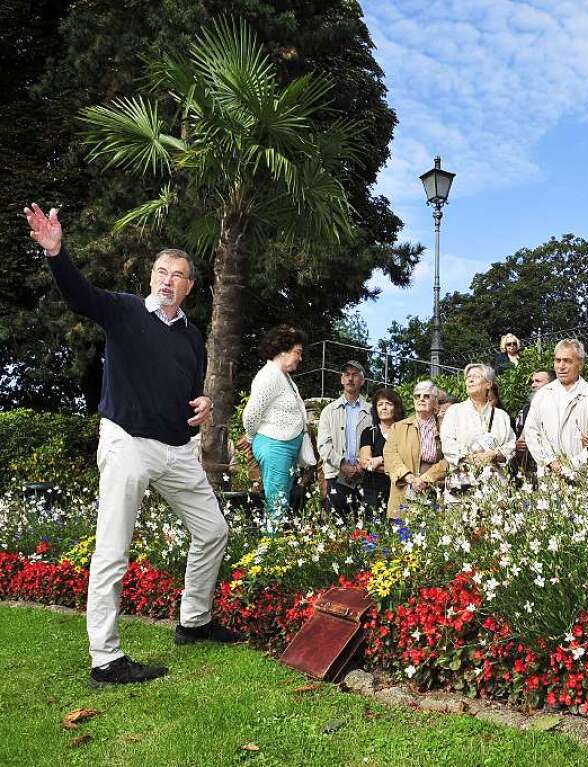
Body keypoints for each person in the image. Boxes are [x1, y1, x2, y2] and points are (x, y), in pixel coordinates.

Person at [25, 203, 234, 687]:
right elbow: (80, 296)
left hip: (179, 450)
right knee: (113, 549)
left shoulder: (193, 335)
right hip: (127, 442)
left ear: (188, 287)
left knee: (213, 531)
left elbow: (191, 387)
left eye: (177, 275)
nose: (166, 280)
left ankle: (194, 621)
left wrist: (202, 403)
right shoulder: (121, 310)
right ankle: (106, 658)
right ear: (152, 276)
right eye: (161, 271)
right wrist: (57, 253)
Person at [241, 325, 310, 533]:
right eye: (298, 352)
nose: (300, 358)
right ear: (283, 350)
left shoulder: (284, 377)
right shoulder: (269, 376)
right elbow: (250, 414)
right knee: (277, 504)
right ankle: (271, 555)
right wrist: (252, 437)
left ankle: (277, 549)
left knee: (282, 502)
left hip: (285, 448)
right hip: (275, 447)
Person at [523, 339, 588, 476]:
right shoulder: (542, 395)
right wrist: (550, 461)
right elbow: (531, 432)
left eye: (567, 361)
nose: (561, 366)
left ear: (580, 364)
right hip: (550, 475)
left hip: (584, 477)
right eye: (557, 361)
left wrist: (572, 466)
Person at [441, 364, 516, 488]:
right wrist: (469, 458)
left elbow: (510, 445)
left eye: (475, 376)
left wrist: (494, 454)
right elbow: (448, 443)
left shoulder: (501, 416)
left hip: (494, 485)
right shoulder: (454, 411)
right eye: (468, 377)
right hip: (463, 484)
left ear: (488, 384)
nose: (470, 380)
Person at [383, 380, 449, 517]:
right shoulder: (398, 427)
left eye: (426, 396)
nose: (421, 399)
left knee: (432, 534)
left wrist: (427, 478)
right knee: (402, 534)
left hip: (433, 490)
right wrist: (410, 478)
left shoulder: (445, 427)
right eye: (417, 396)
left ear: (435, 402)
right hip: (404, 490)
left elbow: (449, 458)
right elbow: (389, 455)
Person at [317, 361, 372, 519]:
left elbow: (376, 443)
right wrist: (342, 465)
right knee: (338, 527)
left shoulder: (371, 411)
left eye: (355, 375)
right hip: (336, 475)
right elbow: (323, 444)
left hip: (364, 476)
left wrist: (361, 467)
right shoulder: (329, 411)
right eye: (346, 375)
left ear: (362, 381)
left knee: (363, 525)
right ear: (341, 380)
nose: (350, 379)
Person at [358, 388, 404, 514]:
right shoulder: (369, 432)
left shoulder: (404, 432)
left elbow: (407, 462)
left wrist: (379, 459)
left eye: (388, 404)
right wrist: (394, 467)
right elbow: (366, 463)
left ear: (396, 407)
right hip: (373, 491)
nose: (384, 408)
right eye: (380, 404)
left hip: (398, 489)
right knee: (373, 531)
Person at [511, 369, 554, 478]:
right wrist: (517, 444)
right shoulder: (525, 410)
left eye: (538, 381)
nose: (533, 385)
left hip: (554, 467)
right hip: (529, 470)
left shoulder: (561, 409)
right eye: (533, 381)